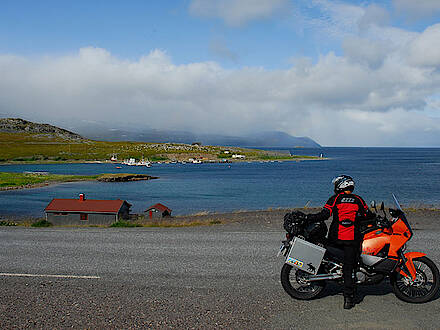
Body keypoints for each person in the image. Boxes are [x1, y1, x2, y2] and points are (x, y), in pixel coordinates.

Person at [305, 175, 375, 309]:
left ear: (340, 186)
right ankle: (348, 298)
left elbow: (325, 214)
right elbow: (367, 215)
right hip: (351, 239)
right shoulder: (358, 200)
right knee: (349, 266)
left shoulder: (335, 199)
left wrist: (309, 218)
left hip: (335, 238)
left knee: (329, 252)